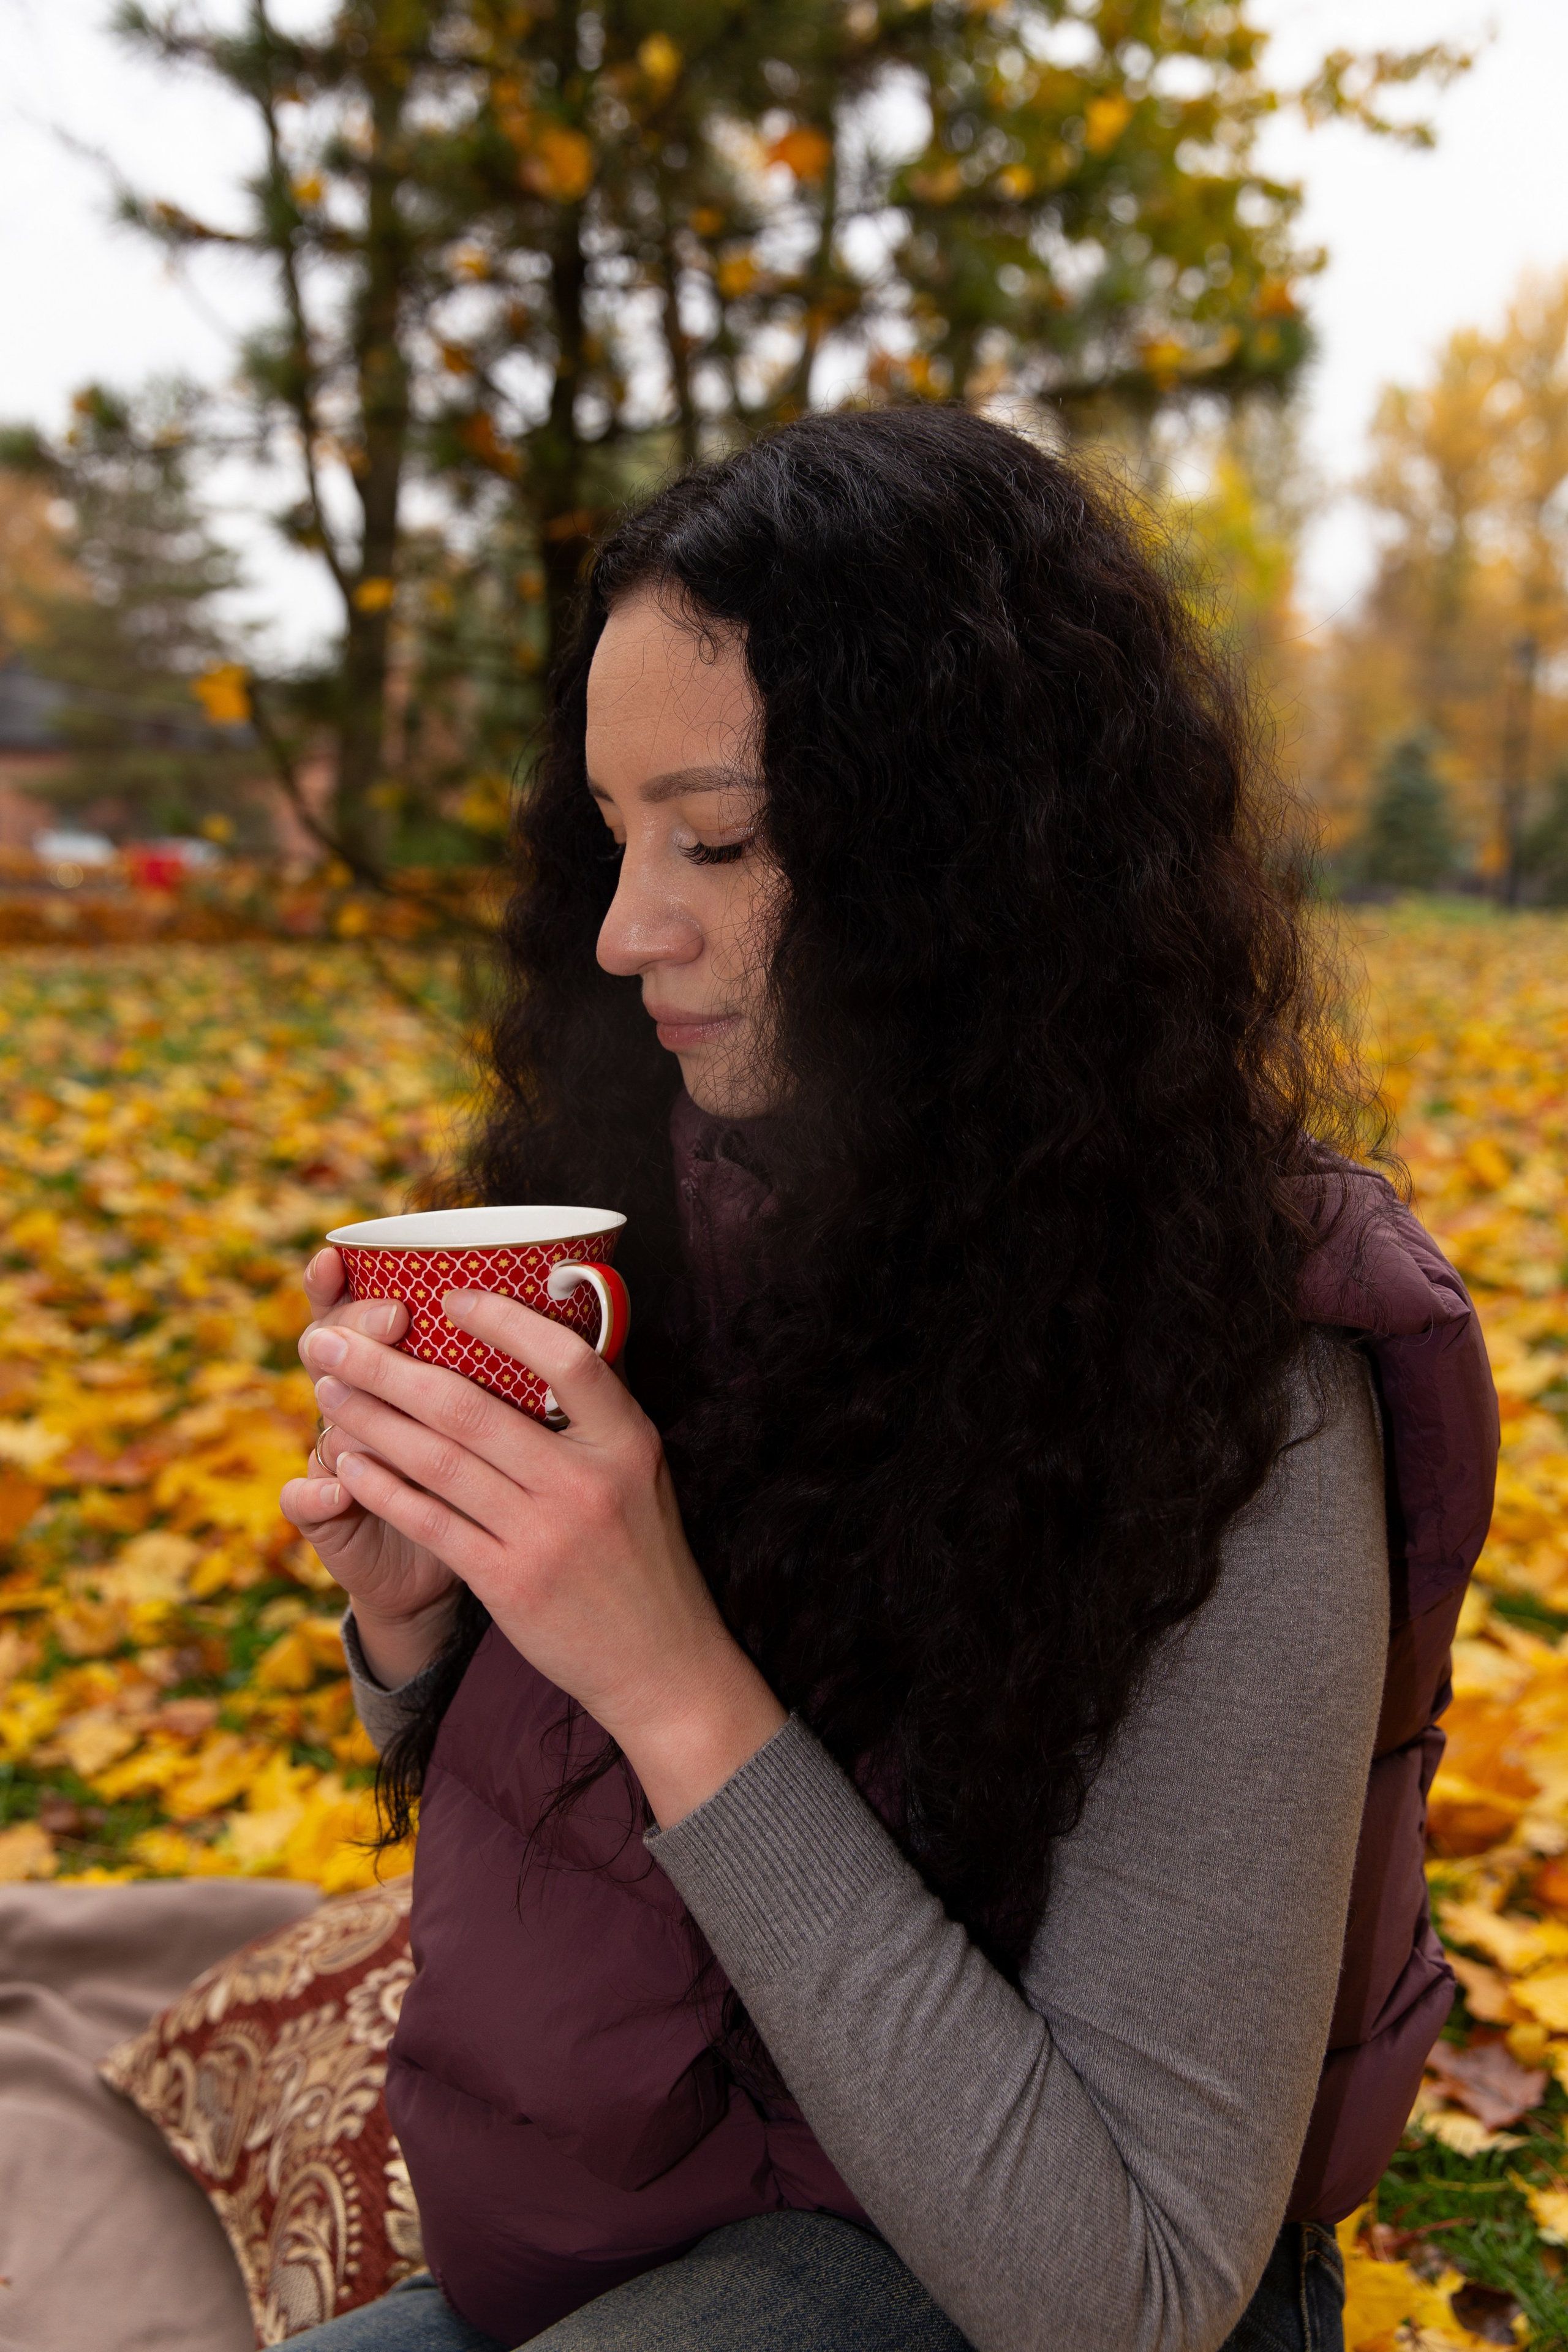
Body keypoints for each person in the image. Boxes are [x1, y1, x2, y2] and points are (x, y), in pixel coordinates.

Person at [280, 407, 1498, 2352]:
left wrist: (668, 1671)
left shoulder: (1245, 1383)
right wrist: (423, 1636)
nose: (625, 930)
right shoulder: (672, 1211)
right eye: (611, 835)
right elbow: (592, 1888)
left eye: (717, 839)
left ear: (967, 857)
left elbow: (1137, 2286)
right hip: (656, 2205)